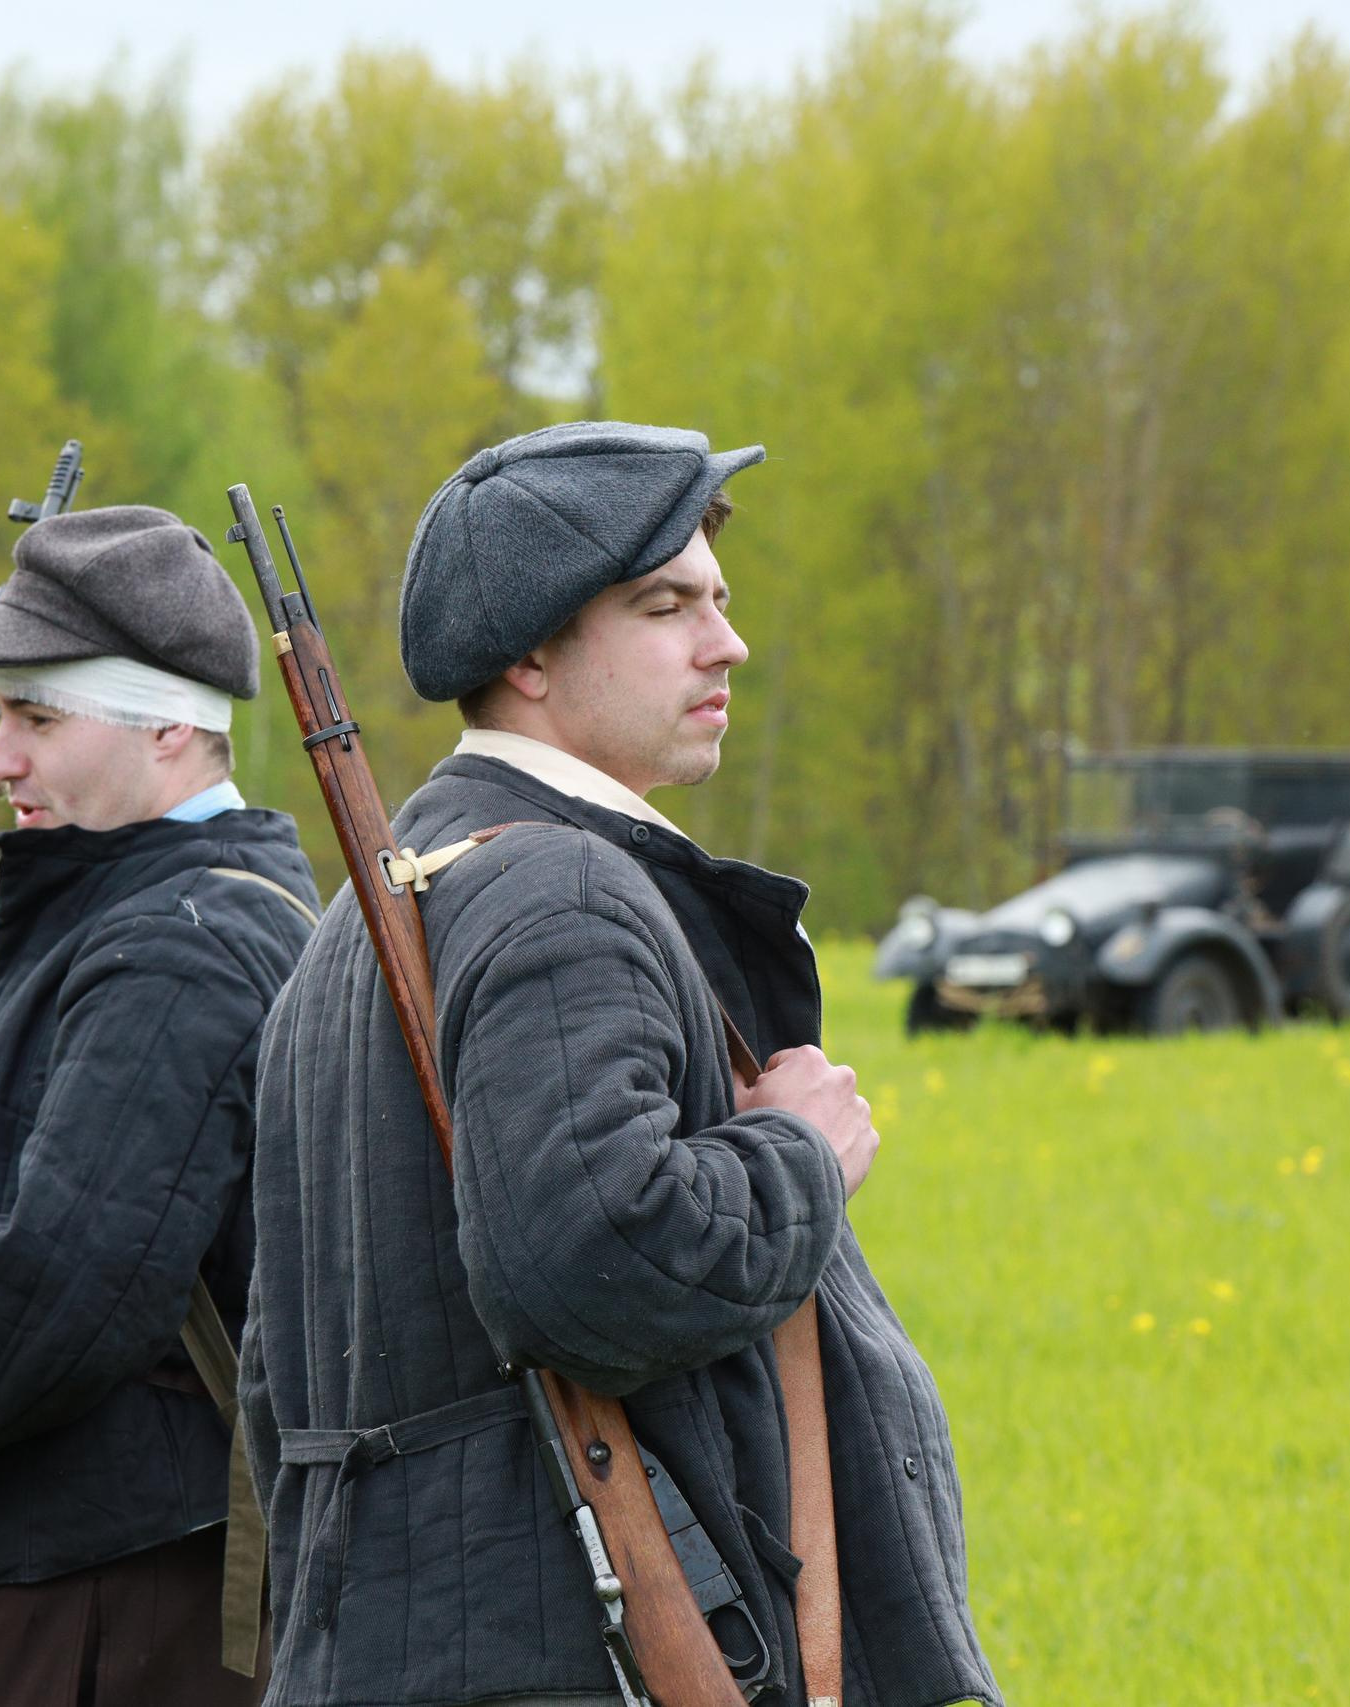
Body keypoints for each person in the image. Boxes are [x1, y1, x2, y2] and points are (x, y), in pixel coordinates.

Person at [241, 422, 1001, 1707]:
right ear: (527, 655)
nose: (725, 644)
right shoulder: (561, 892)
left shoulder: (370, 915)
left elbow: (278, 1372)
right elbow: (591, 1254)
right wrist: (798, 1155)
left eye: (717, 601)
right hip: (566, 1662)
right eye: (665, 606)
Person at [0, 503, 318, 1706]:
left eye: (38, 718)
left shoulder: (181, 944)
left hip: (123, 1588)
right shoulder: (136, 912)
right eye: (0, 716)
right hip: (96, 1556)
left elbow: (61, 1290)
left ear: (170, 724)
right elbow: (17, 1211)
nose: (0, 760)